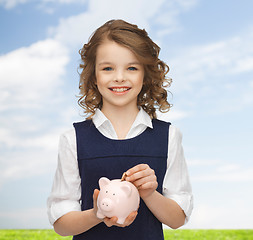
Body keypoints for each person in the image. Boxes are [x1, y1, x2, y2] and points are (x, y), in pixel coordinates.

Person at [47, 19, 193, 240]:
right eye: (107, 68)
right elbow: (61, 225)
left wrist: (149, 193)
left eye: (132, 68)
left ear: (146, 75)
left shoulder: (168, 136)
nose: (119, 77)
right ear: (93, 75)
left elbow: (177, 219)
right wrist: (97, 213)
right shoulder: (73, 139)